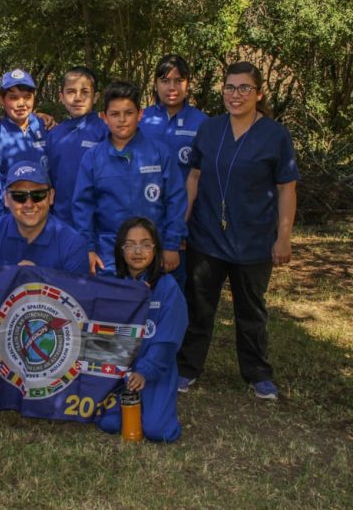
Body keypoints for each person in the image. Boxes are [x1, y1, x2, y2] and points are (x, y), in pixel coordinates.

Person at [177, 61, 299, 400]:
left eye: (245, 88)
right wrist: (181, 224)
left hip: (254, 240)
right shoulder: (210, 129)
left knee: (251, 311)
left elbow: (287, 188)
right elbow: (194, 178)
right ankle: (187, 369)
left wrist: (283, 236)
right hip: (207, 237)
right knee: (199, 306)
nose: (236, 94)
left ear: (258, 93)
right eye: (230, 87)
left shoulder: (275, 135)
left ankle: (257, 373)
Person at [72, 81, 186, 274]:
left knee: (157, 301)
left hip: (153, 253)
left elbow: (175, 200)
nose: (122, 120)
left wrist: (171, 244)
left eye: (129, 113)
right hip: (107, 254)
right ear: (104, 118)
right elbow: (83, 207)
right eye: (115, 114)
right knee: (112, 303)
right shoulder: (93, 157)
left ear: (140, 115)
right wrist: (88, 248)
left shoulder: (159, 153)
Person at [96, 217, 188, 442]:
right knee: (109, 423)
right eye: (130, 245)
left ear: (155, 249)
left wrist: (145, 371)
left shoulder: (167, 287)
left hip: (155, 371)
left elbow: (168, 341)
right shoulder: (113, 285)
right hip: (120, 373)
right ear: (121, 250)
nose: (138, 251)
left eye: (146, 244)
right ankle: (132, 404)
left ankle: (153, 407)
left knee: (159, 432)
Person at [140, 55, 208, 288]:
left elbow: (199, 178)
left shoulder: (202, 123)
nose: (172, 87)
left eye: (178, 80)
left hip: (184, 225)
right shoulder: (141, 119)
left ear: (188, 84)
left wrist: (180, 229)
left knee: (178, 293)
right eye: (165, 80)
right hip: (144, 221)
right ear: (156, 84)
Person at [0, 160, 89, 273]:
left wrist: (40, 279)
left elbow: (76, 291)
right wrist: (8, 275)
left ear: (51, 196)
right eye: (19, 196)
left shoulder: (73, 246)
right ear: (7, 199)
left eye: (38, 195)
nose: (29, 204)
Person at [46, 66, 109, 227]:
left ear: (95, 97)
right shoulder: (54, 134)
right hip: (61, 221)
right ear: (61, 96)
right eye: (71, 91)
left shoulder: (104, 131)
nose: (78, 98)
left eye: (85, 92)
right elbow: (50, 178)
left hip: (96, 221)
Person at [0, 69, 48, 220]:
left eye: (27, 97)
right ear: (1, 99)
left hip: (44, 216)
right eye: (13, 97)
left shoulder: (46, 128)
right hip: (10, 217)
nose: (21, 104)